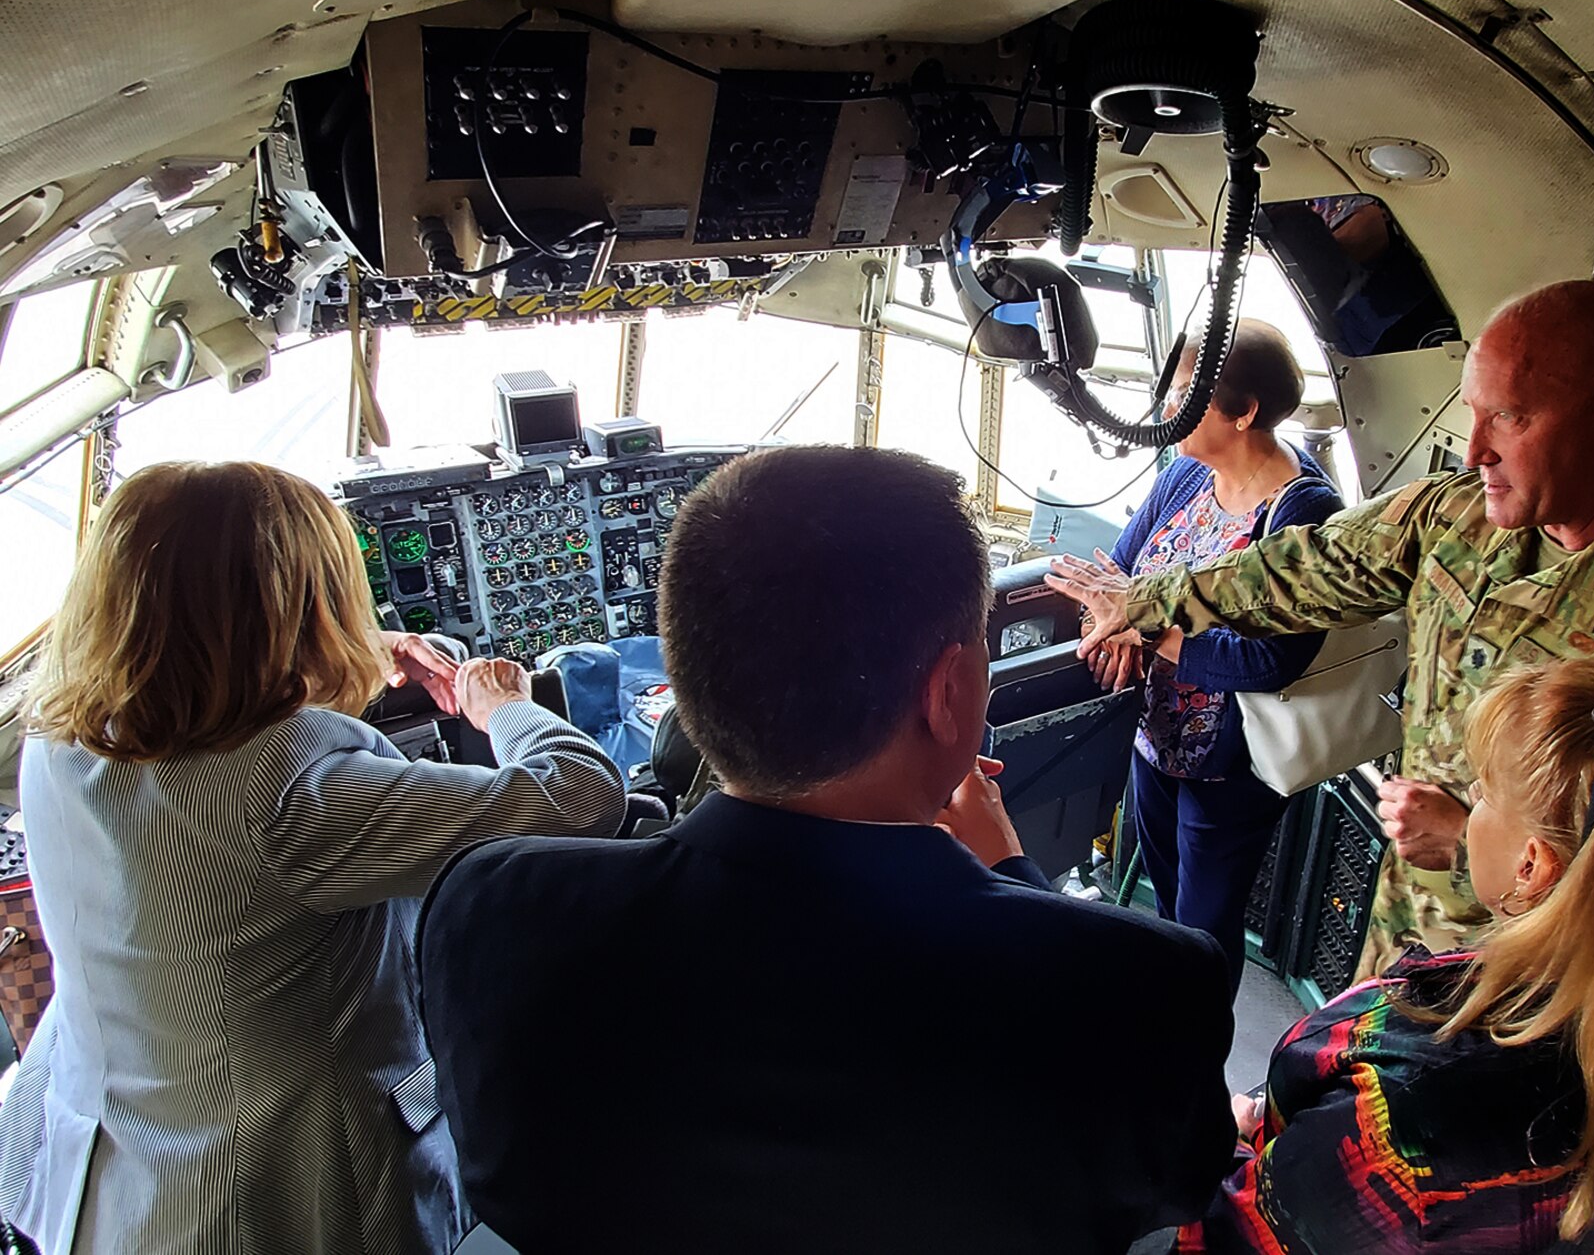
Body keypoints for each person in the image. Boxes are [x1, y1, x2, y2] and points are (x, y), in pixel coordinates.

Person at [418, 446, 1237, 1255]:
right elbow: (1184, 1179)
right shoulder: (1146, 987)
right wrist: (1014, 879)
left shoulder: (493, 916)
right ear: (948, 693)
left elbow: (504, 1181)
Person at [1047, 280, 1594, 978]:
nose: (1478, 447)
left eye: (1511, 417)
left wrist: (1469, 846)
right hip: (1402, 944)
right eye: (1473, 413)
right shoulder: (1456, 515)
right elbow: (1304, 568)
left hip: (1542, 990)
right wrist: (1143, 602)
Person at [0, 461, 626, 1255]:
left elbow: (205, 697)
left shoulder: (59, 737)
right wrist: (503, 703)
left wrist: (358, 646)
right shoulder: (286, 786)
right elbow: (578, 795)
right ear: (298, 604)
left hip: (102, 1174)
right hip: (263, 1204)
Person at [1178, 656, 1594, 1253]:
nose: (1471, 807)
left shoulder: (1418, 1100)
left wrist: (1234, 1139)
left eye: (1482, 793)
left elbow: (1229, 1241)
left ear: (1532, 863)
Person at [1089, 319, 1340, 989]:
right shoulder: (1186, 475)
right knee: (1168, 918)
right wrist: (1114, 623)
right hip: (1158, 744)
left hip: (1229, 769)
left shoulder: (1301, 510)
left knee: (1203, 935)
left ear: (1244, 412)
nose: (1166, 411)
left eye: (1182, 397)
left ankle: (1197, 1069)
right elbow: (1121, 568)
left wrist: (1145, 630)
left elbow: (1271, 660)